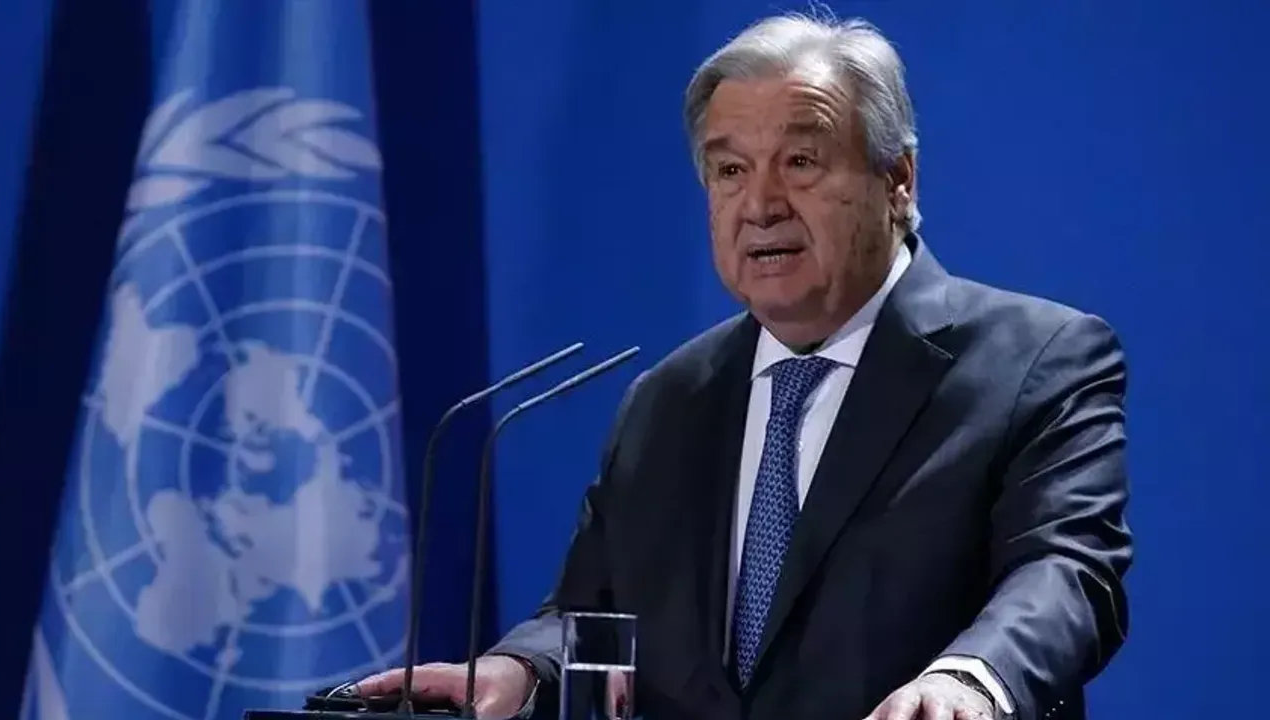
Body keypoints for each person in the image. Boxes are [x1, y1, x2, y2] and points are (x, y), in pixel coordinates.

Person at [356, 12, 1132, 720]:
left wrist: (972, 678)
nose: (760, 205)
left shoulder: (1035, 361)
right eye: (729, 171)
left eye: (800, 161)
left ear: (898, 180)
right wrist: (521, 668)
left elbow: (1068, 570)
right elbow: (593, 612)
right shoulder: (669, 399)